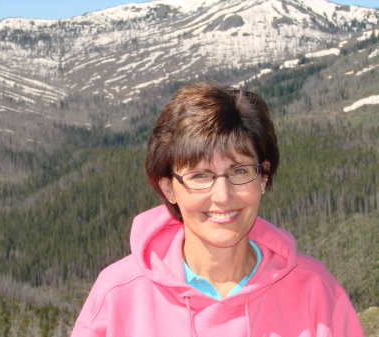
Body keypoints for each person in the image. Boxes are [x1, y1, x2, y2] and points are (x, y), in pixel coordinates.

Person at [70, 82, 363, 337]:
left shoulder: (316, 292)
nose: (222, 196)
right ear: (169, 188)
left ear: (263, 177)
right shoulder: (119, 294)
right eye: (200, 176)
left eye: (239, 171)